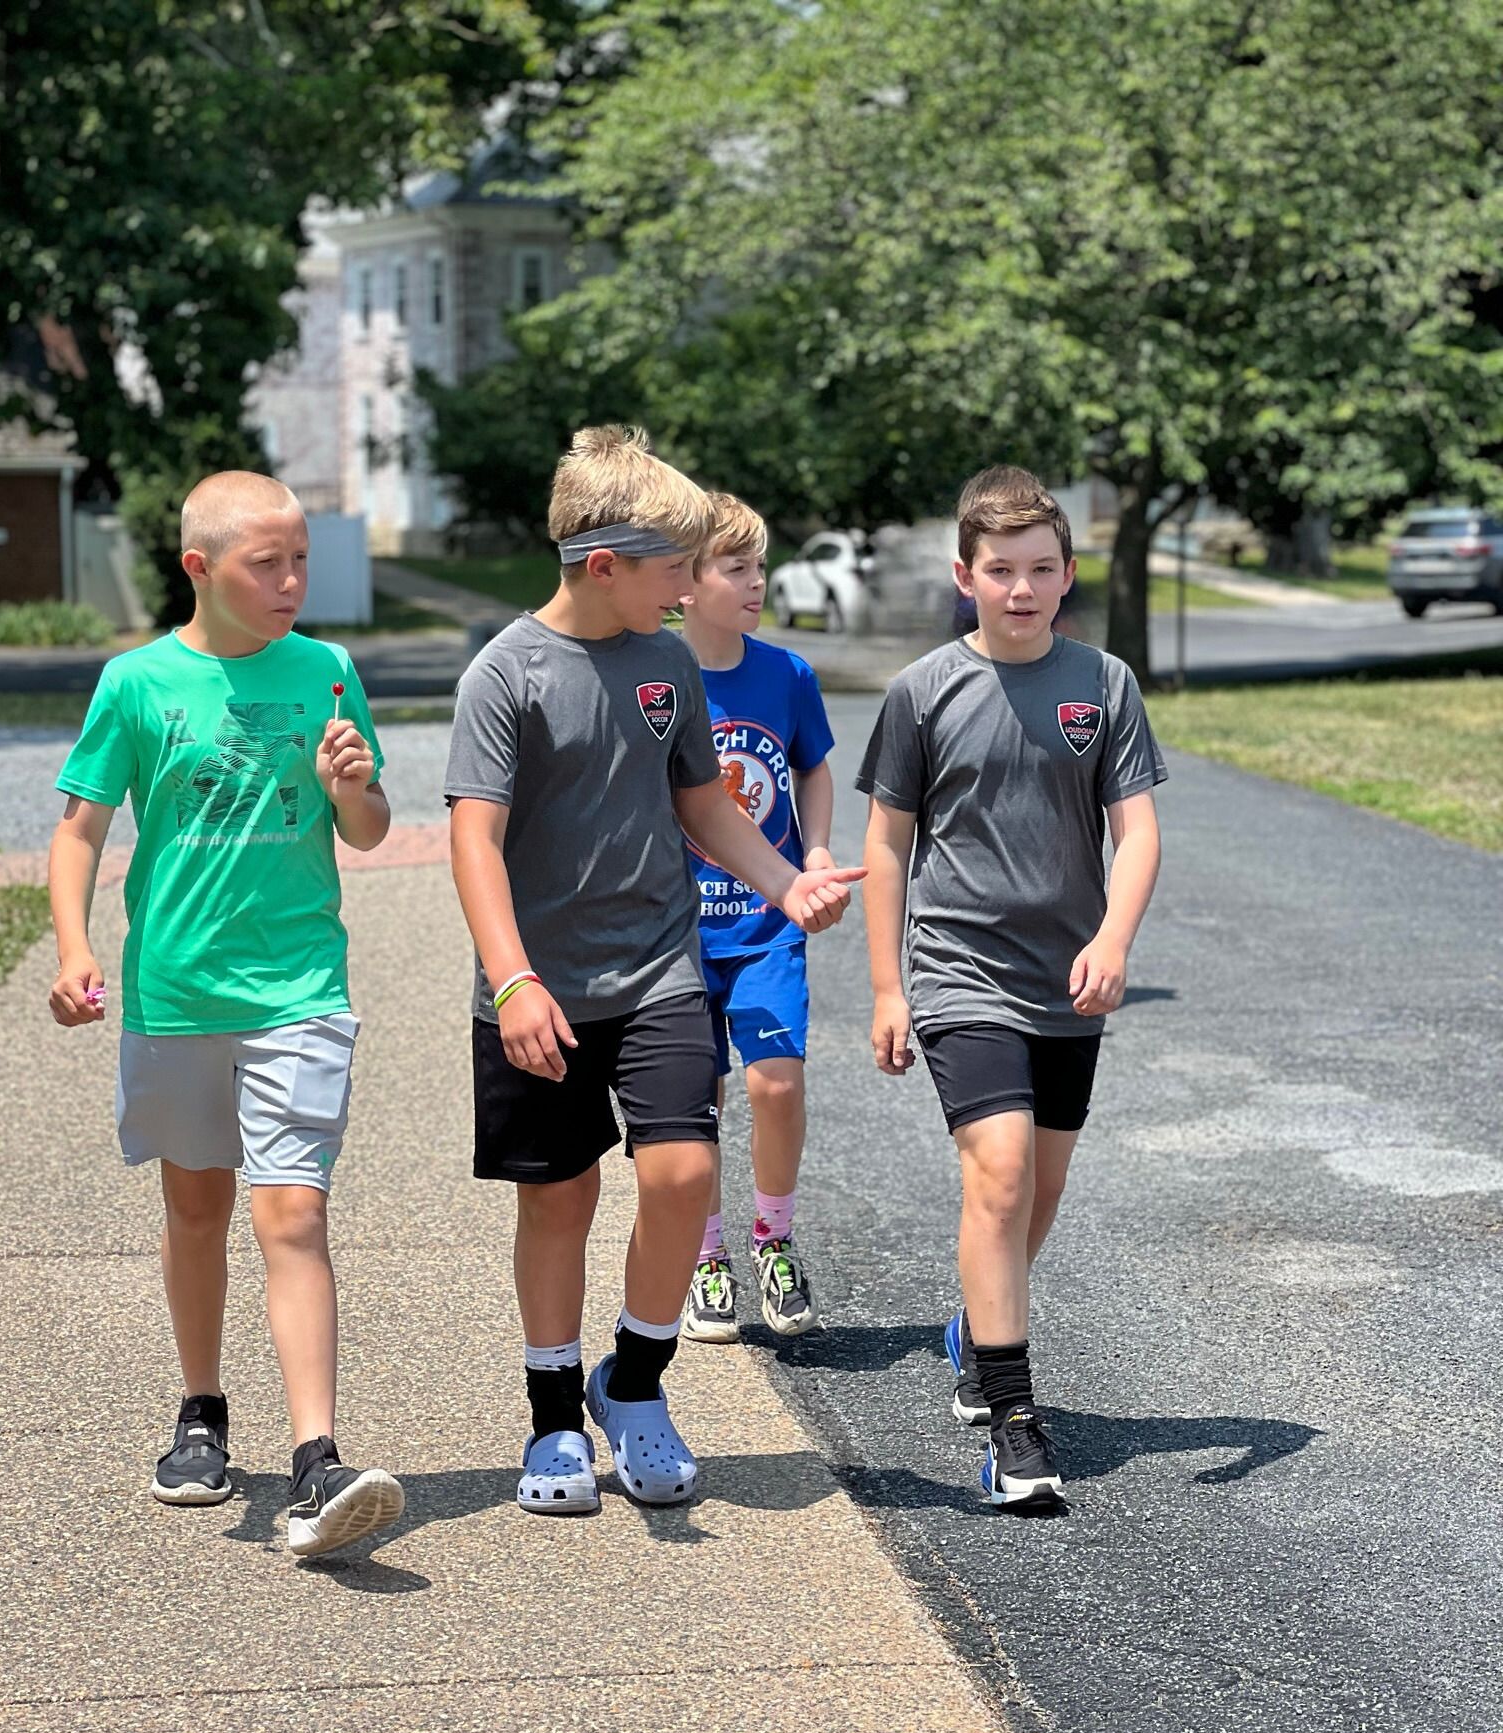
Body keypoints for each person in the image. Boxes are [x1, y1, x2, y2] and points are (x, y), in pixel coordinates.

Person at [445, 427, 863, 1517]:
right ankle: (550, 1418)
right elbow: (473, 840)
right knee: (561, 1196)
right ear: (605, 565)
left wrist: (785, 882)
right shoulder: (507, 674)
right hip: (537, 989)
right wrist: (511, 980)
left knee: (681, 1176)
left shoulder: (668, 663)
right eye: (675, 567)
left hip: (658, 971)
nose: (688, 590)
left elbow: (704, 804)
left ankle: (631, 1386)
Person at [47, 470, 405, 1561]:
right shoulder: (138, 683)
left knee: (290, 1212)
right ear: (200, 568)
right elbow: (77, 830)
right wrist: (74, 949)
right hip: (176, 993)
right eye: (269, 563)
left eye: (302, 558)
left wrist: (352, 783)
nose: (294, 580)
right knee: (196, 1208)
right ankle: (201, 1409)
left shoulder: (330, 673)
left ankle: (318, 1457)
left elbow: (372, 828)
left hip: (300, 987)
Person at [858, 465, 1165, 1508]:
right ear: (966, 574)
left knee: (1039, 1182)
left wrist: (1116, 936)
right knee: (996, 1172)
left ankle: (975, 1327)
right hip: (960, 973)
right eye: (1001, 570)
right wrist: (889, 985)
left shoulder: (1106, 684)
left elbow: (1138, 830)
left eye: (1041, 569)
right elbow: (888, 843)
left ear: (1067, 573)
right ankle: (1013, 1417)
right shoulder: (922, 692)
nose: (1022, 587)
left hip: (1065, 982)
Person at [674, 493, 836, 1342]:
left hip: (767, 924)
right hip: (676, 937)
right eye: (735, 568)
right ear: (685, 583)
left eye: (760, 567)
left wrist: (812, 856)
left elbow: (812, 767)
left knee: (776, 1082)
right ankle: (704, 1257)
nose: (756, 582)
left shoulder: (787, 674)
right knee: (694, 1100)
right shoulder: (655, 676)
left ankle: (774, 1238)